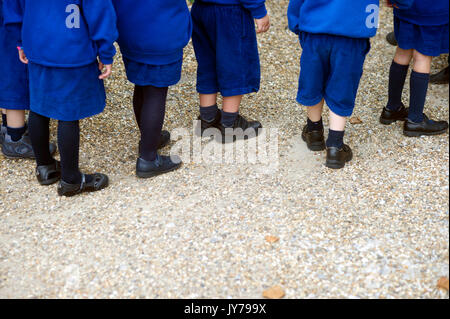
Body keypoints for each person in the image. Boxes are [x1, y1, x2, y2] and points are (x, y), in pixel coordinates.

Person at [4, 0, 118, 196]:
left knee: (38, 107)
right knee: (68, 113)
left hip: (37, 46)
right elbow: (100, 11)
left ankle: (45, 167)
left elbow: (14, 8)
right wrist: (106, 52)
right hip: (72, 50)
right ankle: (71, 179)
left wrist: (20, 42)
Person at [288, 0, 413, 169]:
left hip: (315, 26)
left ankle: (314, 131)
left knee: (313, 80)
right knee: (342, 85)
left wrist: (296, 22)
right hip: (352, 31)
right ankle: (335, 146)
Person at [112, 0, 191, 178]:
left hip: (129, 28)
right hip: (161, 28)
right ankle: (148, 158)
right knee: (156, 91)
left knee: (141, 85)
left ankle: (149, 139)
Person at [192, 0, 270, 143]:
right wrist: (259, 10)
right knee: (235, 64)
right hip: (229, 10)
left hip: (201, 9)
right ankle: (229, 123)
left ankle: (207, 118)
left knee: (207, 62)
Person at [380, 0, 449, 136]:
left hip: (405, 6)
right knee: (423, 56)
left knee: (403, 51)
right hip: (431, 9)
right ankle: (415, 120)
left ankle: (392, 108)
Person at [0, 0, 56, 158]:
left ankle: (6, 127)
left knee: (6, 70)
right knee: (14, 77)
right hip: (11, 24)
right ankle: (15, 137)